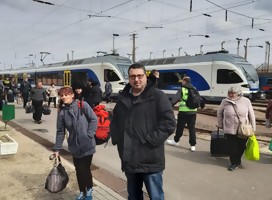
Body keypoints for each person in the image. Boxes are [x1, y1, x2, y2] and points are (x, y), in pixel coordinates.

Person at [110, 63, 176, 200]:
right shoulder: (124, 97)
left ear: (145, 76)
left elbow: (169, 123)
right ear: (129, 78)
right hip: (129, 158)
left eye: (140, 76)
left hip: (150, 158)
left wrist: (151, 141)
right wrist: (117, 138)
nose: (136, 79)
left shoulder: (158, 96)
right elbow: (115, 119)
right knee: (133, 196)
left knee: (156, 196)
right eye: (133, 76)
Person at [53, 87, 97, 200]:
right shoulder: (62, 112)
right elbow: (60, 131)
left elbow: (93, 119)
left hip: (87, 144)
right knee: (78, 169)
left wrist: (90, 134)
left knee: (84, 168)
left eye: (65, 94)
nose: (63, 97)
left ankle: (89, 190)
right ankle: (82, 191)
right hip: (74, 146)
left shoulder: (82, 105)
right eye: (61, 95)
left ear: (72, 95)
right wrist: (57, 149)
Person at [217, 86, 256, 171]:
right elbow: (219, 113)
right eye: (229, 93)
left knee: (241, 146)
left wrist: (253, 127)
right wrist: (220, 124)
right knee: (232, 147)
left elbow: (251, 115)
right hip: (229, 128)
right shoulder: (225, 101)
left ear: (238, 93)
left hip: (243, 129)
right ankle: (234, 163)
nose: (231, 95)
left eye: (233, 93)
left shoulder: (246, 101)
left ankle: (237, 159)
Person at [166, 76, 198, 152]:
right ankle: (193, 145)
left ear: (185, 81)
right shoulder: (194, 89)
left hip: (183, 112)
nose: (181, 82)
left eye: (182, 81)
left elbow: (175, 99)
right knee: (192, 129)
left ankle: (176, 141)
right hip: (193, 112)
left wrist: (168, 107)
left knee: (180, 127)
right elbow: (199, 99)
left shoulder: (182, 89)